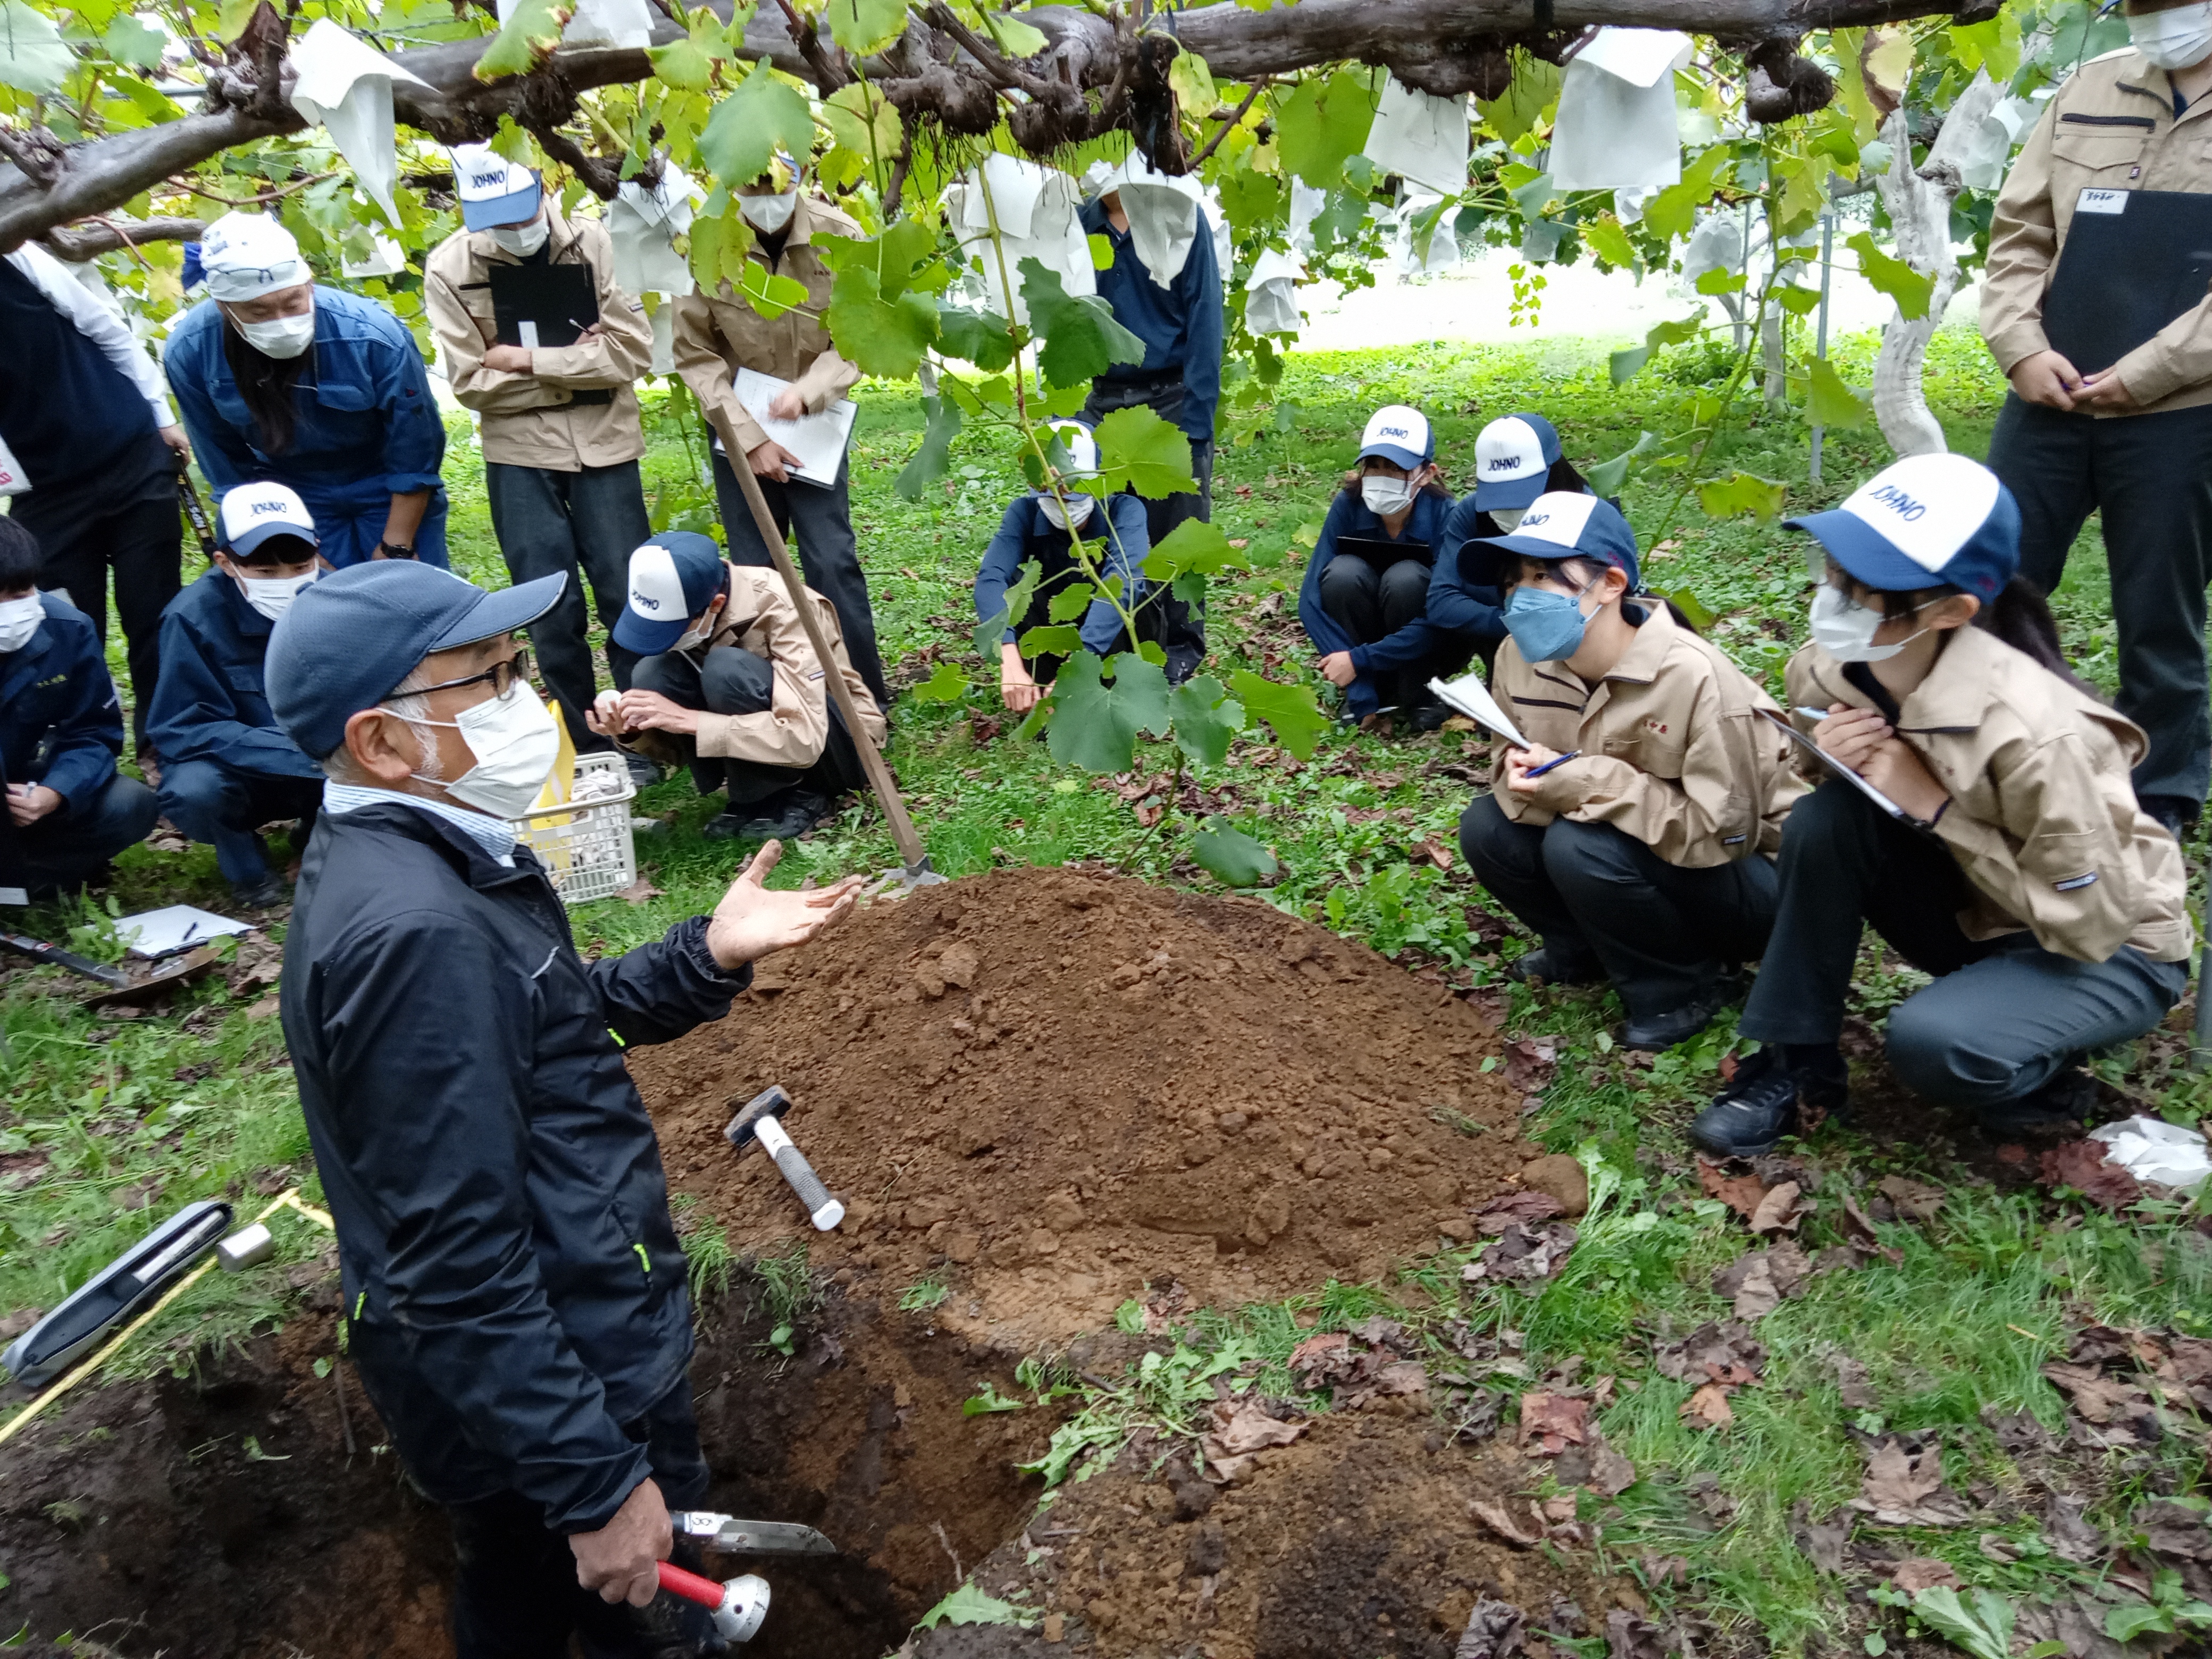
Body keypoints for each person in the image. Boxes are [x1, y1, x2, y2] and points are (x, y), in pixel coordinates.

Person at [265, 557, 860, 1659]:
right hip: (565, 1378)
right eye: (486, 680)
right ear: (381, 742)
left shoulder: (422, 858)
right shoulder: (415, 937)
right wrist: (594, 1484)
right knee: (626, 1611)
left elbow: (547, 1027)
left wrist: (704, 954)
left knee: (519, 1591)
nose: (526, 699)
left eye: (515, 667)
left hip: (523, 1382)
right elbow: (456, 1262)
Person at [1690, 454, 2192, 1157]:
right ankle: (1795, 1064)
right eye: (1835, 570)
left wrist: (1935, 808)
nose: (1836, 597)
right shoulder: (1833, 662)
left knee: (1936, 1046)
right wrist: (1822, 746)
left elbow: (2093, 924)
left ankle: (2037, 1073)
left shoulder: (2041, 735)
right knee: (1825, 820)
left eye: (1871, 588)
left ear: (1953, 610)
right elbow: (1827, 775)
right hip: (1979, 901)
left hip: (2111, 945)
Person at [1453, 492, 1805, 1051]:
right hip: (1627, 845)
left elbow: (1727, 833)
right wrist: (1520, 773)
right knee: (1486, 830)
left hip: (1750, 881)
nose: (1521, 596)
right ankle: (1583, 947)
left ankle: (1684, 984)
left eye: (1544, 576)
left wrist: (1584, 784)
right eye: (1513, 579)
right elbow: (1505, 753)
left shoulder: (1693, 676)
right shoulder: (1516, 657)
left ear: (1611, 584)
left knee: (1581, 845)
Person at [1981, 4, 2212, 836]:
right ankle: (1991, 758)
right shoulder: (2088, 83)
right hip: (2048, 392)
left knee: (2159, 608)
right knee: (1993, 582)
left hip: (2181, 410)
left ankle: (2161, 800)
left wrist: (2149, 373)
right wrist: (2020, 346)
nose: (2156, 21)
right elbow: (2019, 230)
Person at [426, 146, 658, 789]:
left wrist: (524, 362)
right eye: (496, 219)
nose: (514, 229)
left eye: (520, 212)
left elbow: (632, 353)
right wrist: (580, 367)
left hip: (605, 444)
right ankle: (584, 747)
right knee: (547, 606)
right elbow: (470, 383)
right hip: (519, 456)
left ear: (541, 186)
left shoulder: (592, 241)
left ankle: (647, 735)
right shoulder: (449, 267)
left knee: (626, 593)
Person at [672, 160, 889, 709]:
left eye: (777, 186)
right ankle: (777, 695)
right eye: (752, 186)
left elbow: (861, 332)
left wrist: (811, 390)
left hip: (814, 430)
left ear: (800, 175)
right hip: (736, 432)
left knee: (832, 559)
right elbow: (695, 355)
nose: (765, 197)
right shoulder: (705, 242)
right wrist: (749, 438)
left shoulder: (838, 234)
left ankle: (861, 695)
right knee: (753, 570)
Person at [166, 212, 449, 569]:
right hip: (285, 488)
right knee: (318, 609)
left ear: (310, 284)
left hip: (385, 480)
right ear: (224, 307)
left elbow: (416, 449)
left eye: (293, 303)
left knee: (418, 598)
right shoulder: (191, 351)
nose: (281, 321)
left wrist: (397, 545)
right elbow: (226, 466)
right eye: (258, 311)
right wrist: (299, 555)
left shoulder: (373, 336)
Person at [0, 239, 187, 763]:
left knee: (153, 611)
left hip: (128, 453)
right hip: (44, 490)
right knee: (62, 623)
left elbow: (103, 325)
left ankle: (163, 744)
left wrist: (161, 415)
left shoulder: (15, 252)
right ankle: (82, 754)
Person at [590, 531, 885, 842]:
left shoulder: (785, 608)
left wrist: (690, 721)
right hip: (773, 735)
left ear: (716, 604)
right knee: (653, 671)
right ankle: (753, 796)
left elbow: (804, 737)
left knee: (727, 669)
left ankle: (798, 793)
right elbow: (682, 750)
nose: (670, 637)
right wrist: (632, 731)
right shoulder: (696, 603)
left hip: (835, 741)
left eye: (675, 628)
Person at [146, 482, 326, 909]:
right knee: (194, 789)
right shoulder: (190, 618)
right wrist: (291, 754)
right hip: (243, 770)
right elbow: (181, 727)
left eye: (300, 566)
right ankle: (246, 865)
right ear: (225, 563)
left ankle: (322, 838)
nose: (287, 582)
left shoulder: (339, 600)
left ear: (318, 550)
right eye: (266, 573)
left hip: (328, 764)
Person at [1080, 165, 1225, 683]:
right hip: (1101, 401)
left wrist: (1196, 425)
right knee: (1107, 529)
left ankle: (1181, 645)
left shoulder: (1180, 218)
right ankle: (1118, 640)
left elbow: (1207, 318)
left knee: (1177, 529)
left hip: (1170, 393)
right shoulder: (1077, 224)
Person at [0, 517, 157, 897]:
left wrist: (54, 793)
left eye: (19, 593)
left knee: (129, 805)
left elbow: (93, 732)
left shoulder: (68, 629)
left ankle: (37, 878)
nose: (7, 611)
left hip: (25, 792)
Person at [1296, 405, 1468, 731]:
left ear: (1427, 473)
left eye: (1394, 468)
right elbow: (1311, 600)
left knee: (1407, 579)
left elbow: (1444, 611)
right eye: (1373, 466)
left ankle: (1418, 692)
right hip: (1362, 642)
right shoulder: (1348, 505)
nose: (1381, 477)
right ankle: (1369, 690)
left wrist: (1360, 659)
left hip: (1427, 642)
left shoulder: (1445, 513)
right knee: (1342, 574)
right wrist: (1357, 683)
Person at [975, 423, 1150, 714]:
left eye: (1071, 495)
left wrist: (1080, 664)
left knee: (1135, 586)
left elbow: (1124, 583)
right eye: (1050, 496)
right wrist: (1008, 656)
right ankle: (1037, 681)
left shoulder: (1124, 510)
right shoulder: (1025, 512)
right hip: (1056, 627)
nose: (1062, 505)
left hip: (1112, 635)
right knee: (1018, 584)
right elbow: (991, 578)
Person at [1429, 413, 1598, 669]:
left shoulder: (1590, 512)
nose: (1511, 508)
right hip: (1503, 647)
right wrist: (1517, 622)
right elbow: (1442, 600)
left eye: (1522, 492)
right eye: (1499, 494)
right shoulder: (1471, 514)